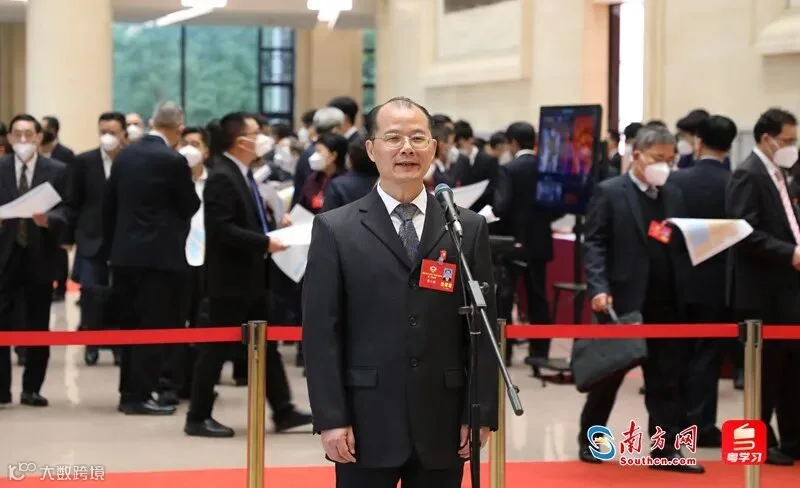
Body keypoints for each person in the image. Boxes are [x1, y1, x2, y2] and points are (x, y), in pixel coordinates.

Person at [303, 96, 498, 488]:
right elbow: (322, 333)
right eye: (393, 138)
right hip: (365, 419)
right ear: (371, 149)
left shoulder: (467, 227)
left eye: (418, 138)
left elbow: (483, 329)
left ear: (434, 147)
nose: (407, 148)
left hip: (444, 420)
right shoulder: (336, 229)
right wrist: (331, 418)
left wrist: (479, 414)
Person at [580, 125, 703, 474]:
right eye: (657, 159)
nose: (664, 166)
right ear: (636, 156)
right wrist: (598, 287)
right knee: (609, 378)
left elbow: (675, 240)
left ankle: (665, 449)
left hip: (666, 300)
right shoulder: (610, 192)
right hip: (621, 300)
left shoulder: (673, 194)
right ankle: (592, 441)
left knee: (666, 378)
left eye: (670, 160)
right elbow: (595, 243)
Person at [185, 112, 311, 437]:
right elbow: (221, 228)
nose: (262, 138)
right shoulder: (222, 176)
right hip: (229, 281)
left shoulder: (242, 173)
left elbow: (245, 220)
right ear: (241, 141)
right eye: (256, 133)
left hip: (250, 278)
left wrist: (271, 228)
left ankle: (283, 409)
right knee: (214, 350)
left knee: (265, 346)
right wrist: (264, 242)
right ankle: (197, 416)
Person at [102, 101, 200, 415]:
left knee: (130, 326)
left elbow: (109, 205)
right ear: (179, 128)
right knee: (154, 327)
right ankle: (140, 395)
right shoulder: (173, 160)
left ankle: (128, 391)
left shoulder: (125, 155)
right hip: (159, 258)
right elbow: (190, 204)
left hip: (125, 255)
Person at [726, 107, 800, 466]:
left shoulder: (781, 173)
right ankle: (757, 442)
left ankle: (793, 440)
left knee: (791, 372)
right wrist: (791, 253)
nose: (792, 147)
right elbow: (743, 231)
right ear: (766, 138)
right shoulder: (748, 174)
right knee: (766, 374)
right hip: (763, 291)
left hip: (788, 290)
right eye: (787, 140)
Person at [667, 115, 737, 447]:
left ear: (697, 142)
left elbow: (662, 230)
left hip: (679, 278)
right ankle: (702, 424)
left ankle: (677, 421)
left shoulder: (676, 180)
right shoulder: (736, 182)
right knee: (709, 355)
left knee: (678, 353)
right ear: (730, 146)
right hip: (719, 282)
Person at [0, 114, 72, 408]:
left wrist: (50, 220)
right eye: (17, 134)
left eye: (29, 134)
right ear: (9, 138)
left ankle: (32, 388)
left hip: (40, 255)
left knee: (38, 324)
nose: (23, 140)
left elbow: (67, 210)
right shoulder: (0, 168)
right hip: (4, 256)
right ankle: (1, 390)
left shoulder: (57, 170)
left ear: (39, 137)